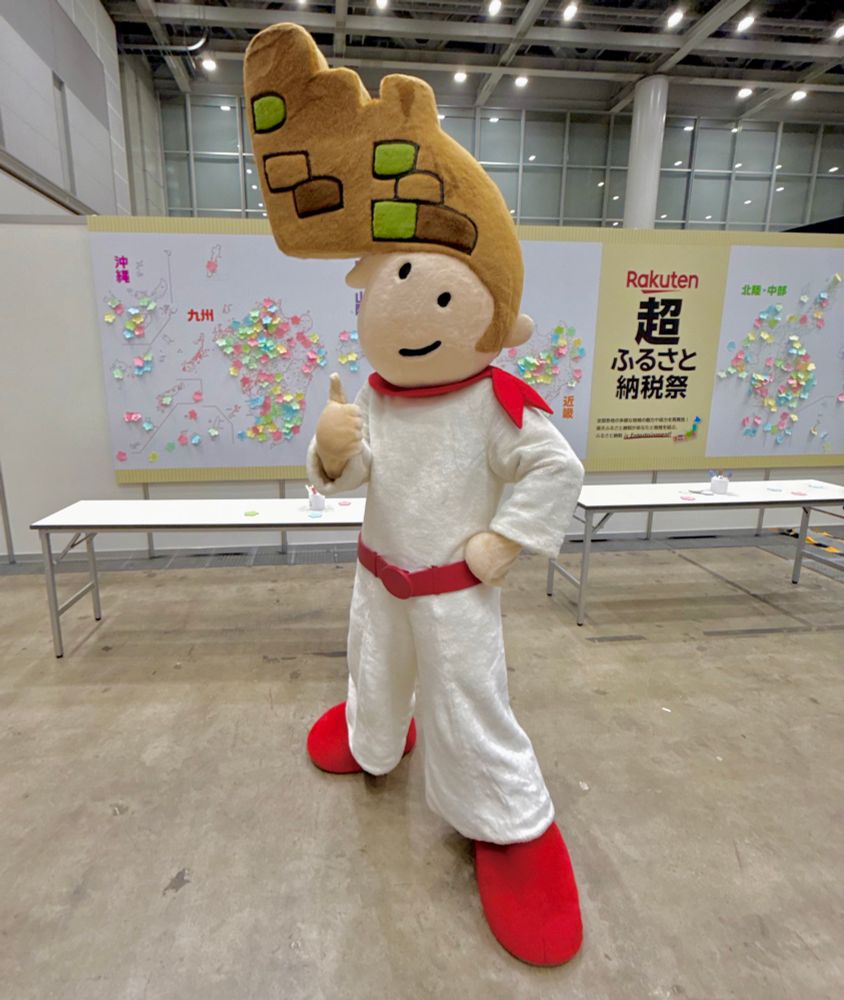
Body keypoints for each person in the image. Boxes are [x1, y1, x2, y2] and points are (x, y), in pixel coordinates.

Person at [245, 23, 585, 966]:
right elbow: (361, 479)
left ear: (491, 313)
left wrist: (504, 543)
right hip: (377, 578)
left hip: (455, 591)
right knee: (373, 669)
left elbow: (556, 469)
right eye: (393, 287)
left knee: (470, 703)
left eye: (441, 295)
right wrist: (330, 452)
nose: (409, 313)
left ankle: (509, 820)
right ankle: (371, 738)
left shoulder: (496, 399)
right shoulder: (383, 397)